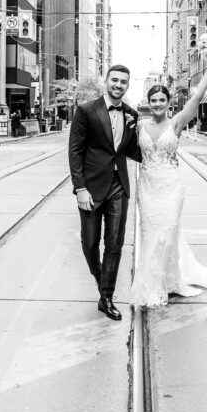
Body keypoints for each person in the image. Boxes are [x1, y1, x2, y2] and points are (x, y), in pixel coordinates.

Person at [130, 53, 207, 309]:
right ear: (148, 102)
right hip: (148, 187)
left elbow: (196, 98)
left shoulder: (176, 123)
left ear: (168, 102)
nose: (158, 104)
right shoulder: (140, 125)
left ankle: (158, 284)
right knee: (151, 234)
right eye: (154, 100)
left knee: (167, 230)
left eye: (162, 99)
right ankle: (158, 281)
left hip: (171, 187)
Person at [68, 64, 142, 321]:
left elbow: (132, 150)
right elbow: (75, 151)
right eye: (115, 80)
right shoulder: (87, 111)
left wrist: (158, 142)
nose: (118, 85)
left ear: (127, 86)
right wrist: (80, 188)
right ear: (106, 81)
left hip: (118, 187)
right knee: (90, 244)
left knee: (114, 244)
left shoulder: (132, 115)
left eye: (123, 81)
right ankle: (103, 282)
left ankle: (106, 298)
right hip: (90, 188)